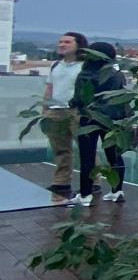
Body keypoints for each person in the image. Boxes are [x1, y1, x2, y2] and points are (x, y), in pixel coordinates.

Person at [69, 41, 128, 207]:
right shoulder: (117, 74)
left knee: (87, 157)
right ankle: (117, 191)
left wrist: (72, 104)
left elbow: (79, 99)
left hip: (89, 118)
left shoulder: (85, 74)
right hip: (113, 120)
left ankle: (85, 195)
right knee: (114, 156)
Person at [41, 32, 87, 203]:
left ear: (78, 45)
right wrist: (44, 110)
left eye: (67, 42)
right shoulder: (55, 65)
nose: (62, 44)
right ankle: (61, 182)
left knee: (85, 149)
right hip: (56, 111)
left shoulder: (85, 66)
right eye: (60, 42)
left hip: (77, 111)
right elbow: (49, 88)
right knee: (60, 150)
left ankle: (92, 182)